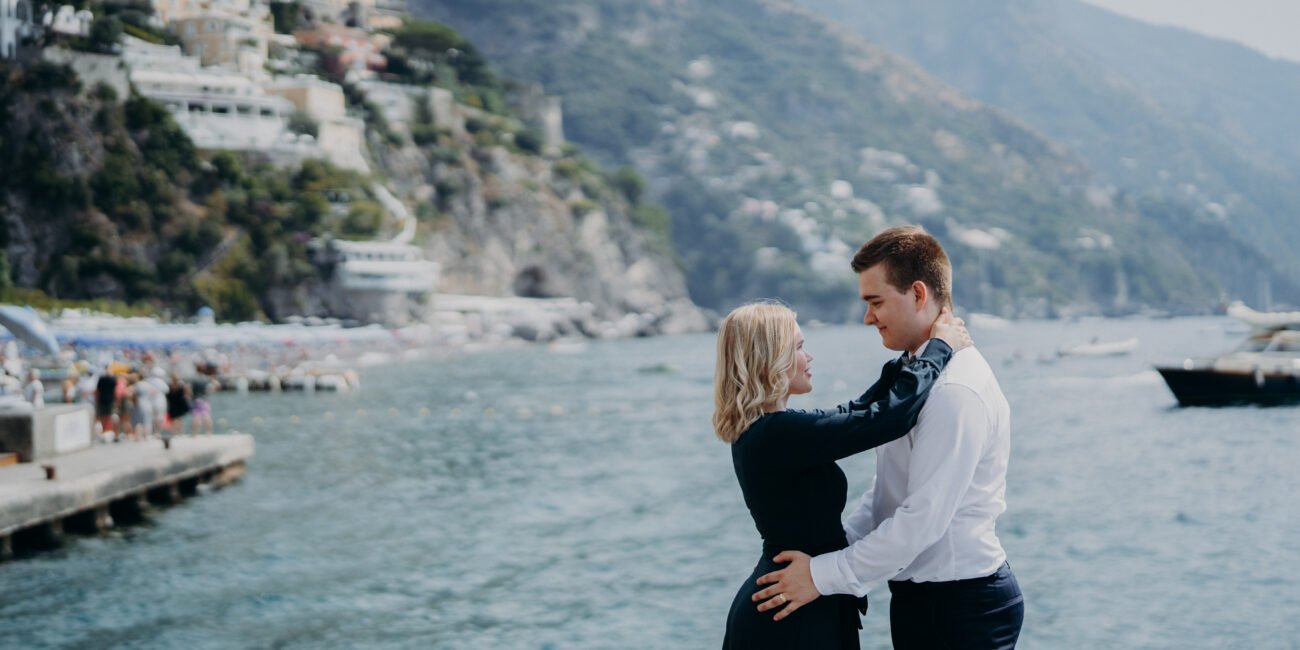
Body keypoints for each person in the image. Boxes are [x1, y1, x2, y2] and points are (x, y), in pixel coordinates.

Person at [751, 226, 1023, 649]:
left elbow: (921, 521)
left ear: (918, 294)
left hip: (961, 606)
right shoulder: (916, 377)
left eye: (876, 302)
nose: (867, 317)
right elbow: (889, 491)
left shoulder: (954, 391)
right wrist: (828, 559)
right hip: (925, 600)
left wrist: (824, 576)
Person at [717, 300, 970, 649]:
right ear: (770, 359)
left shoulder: (768, 431)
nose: (810, 358)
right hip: (789, 616)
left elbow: (855, 412)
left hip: (796, 600)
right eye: (800, 347)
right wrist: (940, 349)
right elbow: (886, 420)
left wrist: (909, 359)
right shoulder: (777, 434)